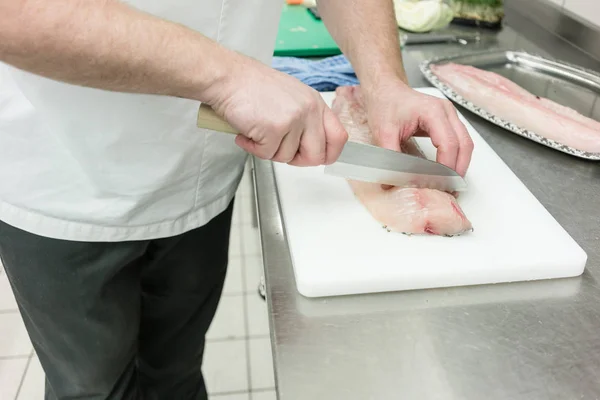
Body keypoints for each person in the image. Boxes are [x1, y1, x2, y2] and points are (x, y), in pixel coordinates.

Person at [0, 0, 474, 399]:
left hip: (203, 177)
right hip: (63, 178)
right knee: (92, 389)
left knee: (176, 373)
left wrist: (384, 80)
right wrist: (228, 77)